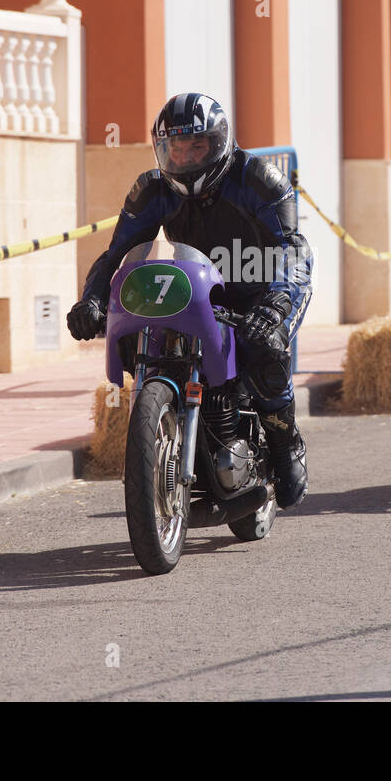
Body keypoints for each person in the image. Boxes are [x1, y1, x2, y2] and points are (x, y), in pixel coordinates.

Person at [66, 92, 314, 507]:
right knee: (147, 340)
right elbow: (117, 253)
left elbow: (293, 248)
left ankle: (287, 444)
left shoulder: (258, 178)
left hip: (262, 291)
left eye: (196, 146)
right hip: (197, 289)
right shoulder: (151, 188)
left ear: (219, 142)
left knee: (265, 351)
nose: (185, 158)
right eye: (174, 149)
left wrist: (275, 308)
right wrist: (92, 301)